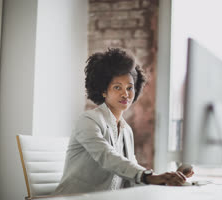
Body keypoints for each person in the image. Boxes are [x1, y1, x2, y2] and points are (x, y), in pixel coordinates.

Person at [54, 48, 194, 195]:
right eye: (117, 87)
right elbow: (107, 157)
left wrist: (167, 179)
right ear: (103, 90)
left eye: (130, 88)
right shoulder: (88, 120)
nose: (125, 94)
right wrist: (150, 177)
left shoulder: (126, 130)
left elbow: (131, 174)